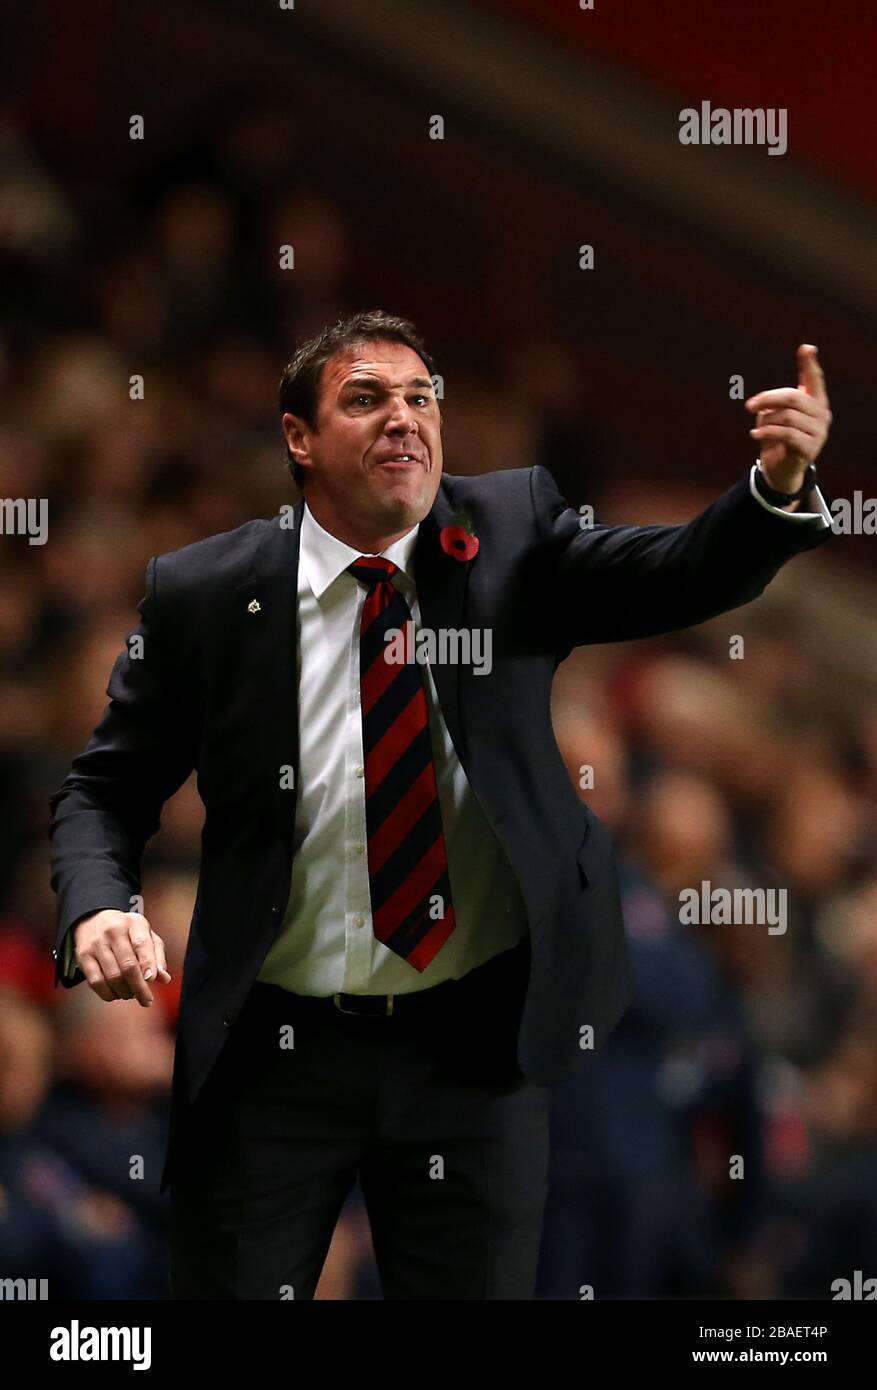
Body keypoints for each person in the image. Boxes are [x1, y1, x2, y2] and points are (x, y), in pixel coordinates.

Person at [48, 310, 834, 1299]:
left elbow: (679, 572)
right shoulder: (208, 593)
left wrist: (775, 486)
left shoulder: (506, 534)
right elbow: (102, 789)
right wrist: (98, 904)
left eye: (421, 397)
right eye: (366, 398)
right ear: (299, 437)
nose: (404, 419)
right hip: (275, 1049)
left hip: (473, 1046)